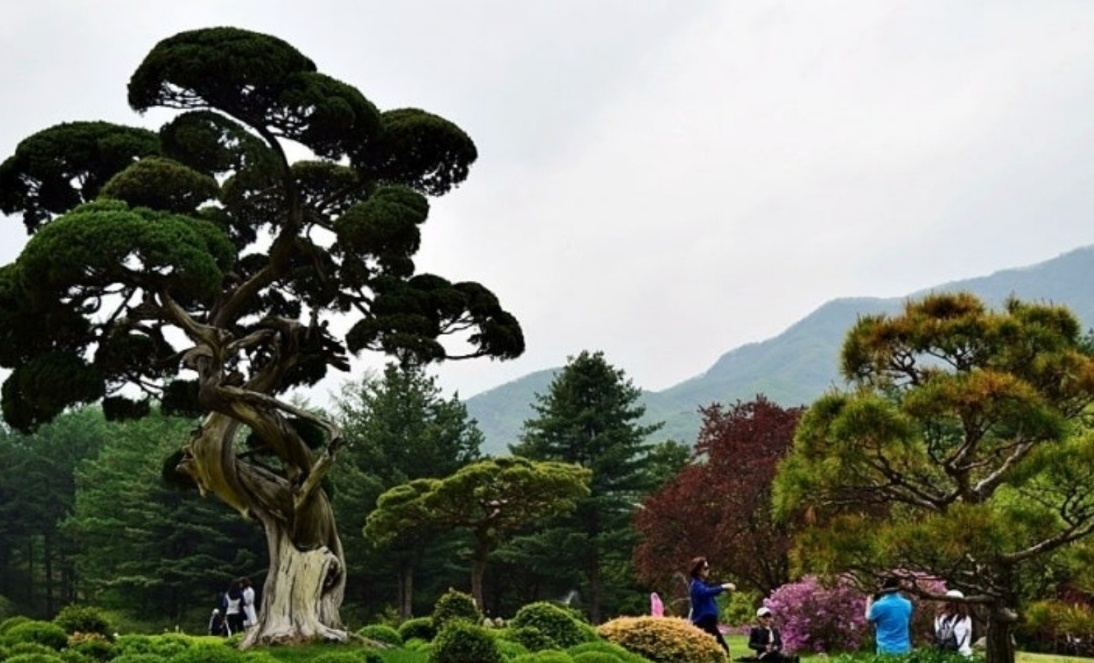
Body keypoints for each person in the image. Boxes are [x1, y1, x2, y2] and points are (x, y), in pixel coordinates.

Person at [688, 556, 736, 654]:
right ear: (698, 570)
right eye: (705, 568)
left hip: (708, 622)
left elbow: (709, 593)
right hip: (704, 622)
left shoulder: (702, 584)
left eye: (708, 568)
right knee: (723, 649)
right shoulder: (696, 585)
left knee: (712, 650)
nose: (708, 570)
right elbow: (705, 592)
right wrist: (723, 587)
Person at [865, 576, 913, 655]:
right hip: (904, 650)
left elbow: (868, 617)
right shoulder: (907, 604)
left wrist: (869, 602)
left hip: (885, 650)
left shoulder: (879, 605)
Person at [934, 589, 973, 657]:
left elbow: (938, 634)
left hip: (944, 656)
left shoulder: (939, 618)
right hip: (963, 655)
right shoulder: (965, 619)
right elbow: (968, 637)